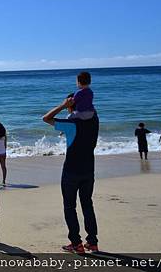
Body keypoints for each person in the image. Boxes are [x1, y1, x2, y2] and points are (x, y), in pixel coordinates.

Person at [43, 94, 100, 254]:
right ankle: (93, 242)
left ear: (70, 106)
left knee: (70, 207)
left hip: (71, 171)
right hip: (89, 170)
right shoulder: (95, 120)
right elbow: (92, 110)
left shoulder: (71, 124)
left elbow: (46, 118)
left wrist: (62, 105)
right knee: (87, 204)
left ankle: (76, 243)